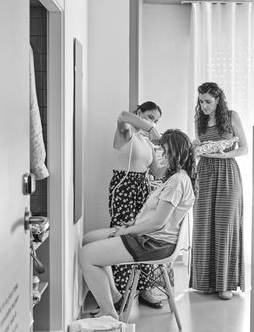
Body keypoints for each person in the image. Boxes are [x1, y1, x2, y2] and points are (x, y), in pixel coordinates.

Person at [79, 129, 197, 319]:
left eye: (166, 152)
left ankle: (108, 313)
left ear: (177, 153)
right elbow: (154, 216)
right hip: (149, 238)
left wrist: (125, 231)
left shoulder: (177, 182)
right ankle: (116, 296)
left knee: (86, 255)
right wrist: (130, 225)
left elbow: (157, 223)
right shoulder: (178, 179)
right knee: (87, 240)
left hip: (152, 242)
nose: (163, 156)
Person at [190, 82, 247, 300]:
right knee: (204, 224)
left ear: (218, 100)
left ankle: (226, 284)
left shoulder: (231, 116)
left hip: (227, 171)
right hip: (204, 172)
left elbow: (244, 148)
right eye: (201, 101)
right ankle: (205, 282)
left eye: (208, 101)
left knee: (225, 225)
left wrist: (226, 155)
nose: (204, 106)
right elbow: (199, 148)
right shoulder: (200, 120)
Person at [109, 102, 166, 309]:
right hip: (124, 189)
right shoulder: (127, 131)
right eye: (150, 117)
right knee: (124, 236)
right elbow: (123, 114)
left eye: (156, 120)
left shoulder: (148, 144)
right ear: (139, 113)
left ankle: (144, 289)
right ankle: (121, 291)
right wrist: (150, 127)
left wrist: (177, 156)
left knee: (144, 236)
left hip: (143, 188)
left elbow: (157, 172)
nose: (153, 123)